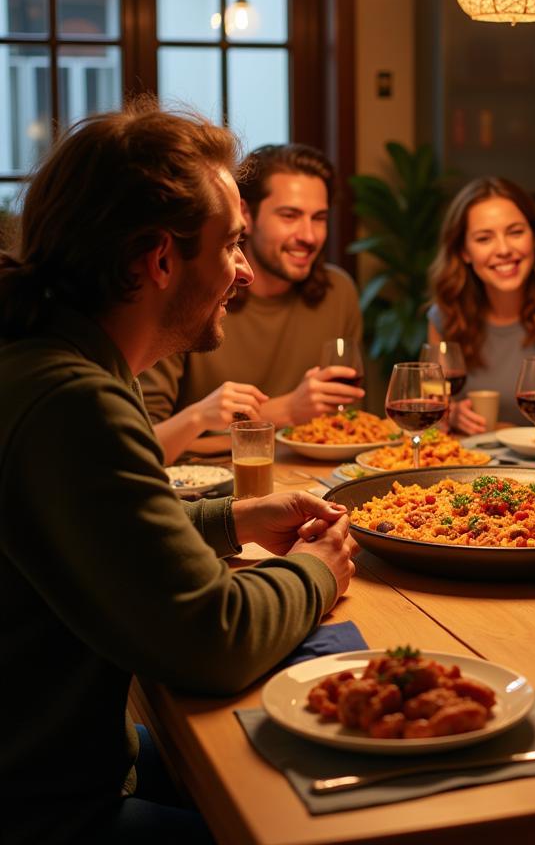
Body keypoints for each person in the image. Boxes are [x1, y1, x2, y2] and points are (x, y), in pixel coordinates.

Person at [0, 101, 357, 843]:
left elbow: (103, 532)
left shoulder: (54, 358)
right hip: (47, 806)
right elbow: (214, 639)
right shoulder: (74, 400)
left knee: (304, 769)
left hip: (76, 760)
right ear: (159, 259)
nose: (245, 272)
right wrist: (320, 570)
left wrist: (232, 517)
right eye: (231, 245)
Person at [141, 142, 364, 461]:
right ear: (244, 214)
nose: (309, 235)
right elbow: (141, 446)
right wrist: (285, 410)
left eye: (319, 218)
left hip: (308, 482)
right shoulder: (192, 297)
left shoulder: (338, 293)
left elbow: (346, 427)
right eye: (290, 216)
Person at [427, 176, 535, 432]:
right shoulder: (444, 315)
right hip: (468, 467)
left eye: (515, 232)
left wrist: (507, 431)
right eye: (484, 238)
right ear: (464, 251)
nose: (504, 249)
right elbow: (433, 418)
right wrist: (450, 417)